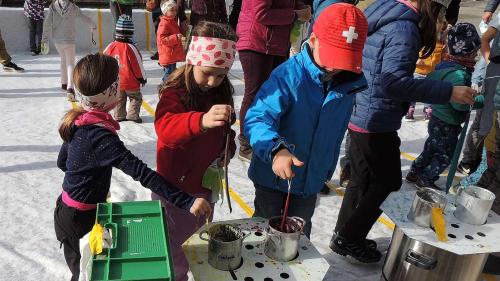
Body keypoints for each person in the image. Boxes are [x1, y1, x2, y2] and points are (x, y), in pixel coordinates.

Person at [330, 0, 476, 264]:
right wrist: (449, 91)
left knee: (362, 180)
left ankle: (343, 234)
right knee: (388, 181)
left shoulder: (384, 12)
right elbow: (393, 81)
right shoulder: (404, 28)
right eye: (441, 15)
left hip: (361, 109)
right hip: (377, 118)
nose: (441, 22)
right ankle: (349, 237)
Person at [54, 53, 211, 281]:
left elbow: (63, 163)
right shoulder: (100, 138)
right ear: (110, 91)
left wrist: (88, 175)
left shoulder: (79, 120)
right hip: (80, 221)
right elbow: (143, 174)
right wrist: (187, 201)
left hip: (69, 210)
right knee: (86, 273)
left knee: (83, 268)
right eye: (118, 81)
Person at [244, 4, 368, 239]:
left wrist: (323, 170)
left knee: (299, 233)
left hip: (311, 180)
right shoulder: (288, 76)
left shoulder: (348, 82)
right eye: (333, 55)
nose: (337, 66)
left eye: (345, 59)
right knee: (264, 229)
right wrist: (276, 149)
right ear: (313, 40)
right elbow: (257, 118)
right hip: (272, 177)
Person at [153, 22, 237, 281]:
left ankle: (191, 270)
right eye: (207, 73)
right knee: (176, 244)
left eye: (221, 75)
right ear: (191, 62)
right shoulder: (174, 94)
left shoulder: (220, 93)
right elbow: (165, 129)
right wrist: (199, 121)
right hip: (176, 189)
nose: (213, 82)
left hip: (205, 184)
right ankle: (177, 276)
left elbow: (226, 133)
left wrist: (228, 149)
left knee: (199, 236)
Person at [406, 23, 483, 189]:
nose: (476, 56)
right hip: (449, 123)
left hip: (436, 118)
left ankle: (415, 171)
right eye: (475, 52)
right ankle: (426, 178)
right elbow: (461, 105)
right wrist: (479, 100)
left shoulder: (442, 67)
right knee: (445, 155)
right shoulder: (460, 75)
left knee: (431, 147)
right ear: (467, 53)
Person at [236, 0, 311, 162]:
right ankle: (247, 143)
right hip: (256, 43)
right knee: (254, 94)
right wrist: (295, 14)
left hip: (276, 44)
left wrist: (300, 7)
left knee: (275, 95)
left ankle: (268, 138)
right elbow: (261, 13)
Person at [458, 16, 500, 175]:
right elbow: (485, 38)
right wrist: (491, 63)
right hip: (494, 78)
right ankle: (469, 160)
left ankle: (481, 161)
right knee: (485, 122)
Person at [42, 0, 97, 101]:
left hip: (57, 40)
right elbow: (84, 17)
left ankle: (64, 83)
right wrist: (93, 25)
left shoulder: (52, 7)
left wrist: (44, 39)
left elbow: (46, 23)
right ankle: (70, 88)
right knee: (70, 63)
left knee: (63, 59)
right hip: (69, 40)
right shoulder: (73, 7)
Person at [104, 15, 147, 123]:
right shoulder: (131, 48)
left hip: (116, 81)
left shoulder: (110, 46)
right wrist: (142, 78)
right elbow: (138, 64)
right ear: (131, 33)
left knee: (119, 99)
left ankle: (119, 116)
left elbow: (103, 61)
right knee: (135, 98)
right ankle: (133, 116)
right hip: (131, 82)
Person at [405, 19, 448, 121]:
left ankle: (428, 110)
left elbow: (443, 56)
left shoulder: (441, 43)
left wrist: (443, 63)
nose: (440, 31)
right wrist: (416, 59)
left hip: (432, 72)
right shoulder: (421, 39)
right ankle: (410, 109)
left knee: (429, 92)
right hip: (418, 71)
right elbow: (410, 51)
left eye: (442, 29)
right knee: (414, 91)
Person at [157, 0, 185, 82]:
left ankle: (168, 86)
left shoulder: (171, 21)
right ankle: (165, 87)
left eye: (175, 10)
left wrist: (183, 30)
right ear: (165, 11)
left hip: (172, 54)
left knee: (172, 72)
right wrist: (176, 37)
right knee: (169, 74)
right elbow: (162, 39)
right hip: (168, 54)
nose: (175, 12)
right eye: (172, 10)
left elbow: (175, 32)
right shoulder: (164, 23)